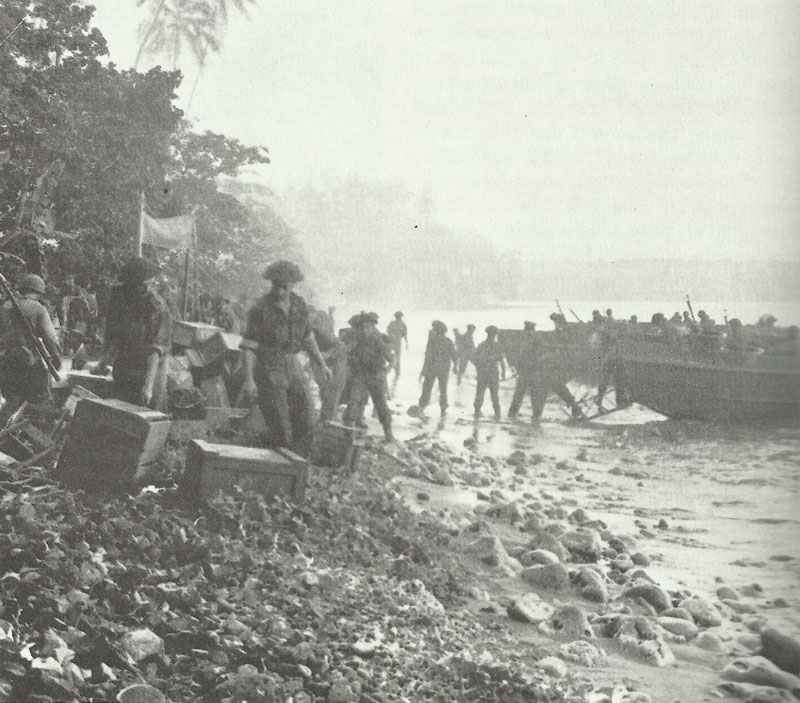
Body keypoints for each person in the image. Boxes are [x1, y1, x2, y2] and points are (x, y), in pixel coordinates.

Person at [240, 261, 330, 454]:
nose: (279, 290)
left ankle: (298, 463)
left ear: (293, 284)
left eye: (284, 286)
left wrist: (321, 364)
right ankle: (280, 464)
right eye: (276, 285)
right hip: (269, 366)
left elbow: (308, 337)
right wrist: (249, 380)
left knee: (306, 416)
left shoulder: (299, 305)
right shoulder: (260, 308)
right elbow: (248, 347)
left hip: (293, 363)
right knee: (280, 423)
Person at [94, 257, 171, 409]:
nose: (125, 288)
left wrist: (148, 387)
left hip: (151, 370)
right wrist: (103, 362)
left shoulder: (156, 306)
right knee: (120, 414)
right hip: (125, 366)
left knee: (145, 415)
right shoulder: (120, 298)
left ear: (142, 284)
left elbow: (155, 349)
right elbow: (113, 335)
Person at [0, 273, 62, 428]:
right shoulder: (38, 308)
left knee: (12, 401)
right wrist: (56, 358)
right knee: (41, 401)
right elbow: (50, 338)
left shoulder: (4, 307)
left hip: (7, 362)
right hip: (30, 363)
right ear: (39, 292)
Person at [344, 312, 394, 441]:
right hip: (360, 375)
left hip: (375, 376)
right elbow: (346, 352)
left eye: (368, 327)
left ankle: (388, 433)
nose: (365, 330)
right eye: (363, 327)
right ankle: (348, 432)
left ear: (372, 327)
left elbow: (392, 359)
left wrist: (386, 372)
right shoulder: (356, 339)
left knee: (381, 405)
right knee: (353, 402)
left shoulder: (378, 340)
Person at [418, 320, 457, 416]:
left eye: (434, 329)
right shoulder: (448, 341)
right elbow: (454, 356)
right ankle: (443, 409)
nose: (432, 330)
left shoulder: (432, 341)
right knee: (443, 389)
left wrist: (423, 371)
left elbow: (428, 357)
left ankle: (422, 407)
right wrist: (455, 367)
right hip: (444, 370)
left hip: (432, 369)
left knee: (427, 388)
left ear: (437, 330)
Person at [472, 325, 506, 420]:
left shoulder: (482, 345)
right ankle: (497, 414)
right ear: (495, 334)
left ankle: (477, 412)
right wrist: (503, 373)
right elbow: (501, 361)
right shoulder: (497, 346)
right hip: (493, 373)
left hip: (482, 373)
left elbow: (474, 359)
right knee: (494, 395)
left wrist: (478, 369)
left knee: (479, 393)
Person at [508, 321, 538, 420]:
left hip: (528, 372)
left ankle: (513, 413)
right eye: (530, 330)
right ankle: (534, 415)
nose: (530, 332)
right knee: (527, 393)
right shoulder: (529, 342)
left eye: (531, 330)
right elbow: (520, 357)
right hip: (528, 372)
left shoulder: (525, 341)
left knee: (522, 393)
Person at [386, 311, 408, 383]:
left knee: (394, 357)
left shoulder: (395, 324)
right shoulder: (401, 324)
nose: (399, 318)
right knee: (395, 357)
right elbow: (404, 335)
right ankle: (395, 371)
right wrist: (406, 343)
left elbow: (404, 335)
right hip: (394, 343)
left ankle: (394, 370)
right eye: (399, 317)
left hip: (394, 343)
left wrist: (406, 343)